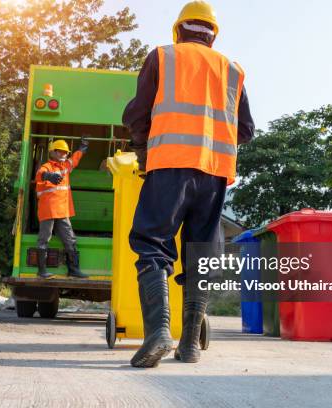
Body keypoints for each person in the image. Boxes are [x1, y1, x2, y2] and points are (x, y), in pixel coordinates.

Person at [122, 0, 255, 367]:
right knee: (201, 254)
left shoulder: (163, 57)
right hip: (214, 172)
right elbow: (245, 130)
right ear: (213, 35)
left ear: (178, 30)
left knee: (151, 243)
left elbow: (136, 114)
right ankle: (190, 346)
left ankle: (159, 334)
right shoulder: (233, 69)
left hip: (169, 166)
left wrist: (142, 149)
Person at [35, 138, 90, 279]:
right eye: (60, 151)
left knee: (70, 239)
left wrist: (82, 148)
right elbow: (39, 175)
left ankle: (73, 270)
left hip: (62, 211)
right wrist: (48, 176)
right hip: (48, 211)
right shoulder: (47, 167)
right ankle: (41, 271)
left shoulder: (65, 166)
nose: (64, 154)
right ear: (52, 152)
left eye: (65, 152)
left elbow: (74, 160)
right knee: (44, 240)